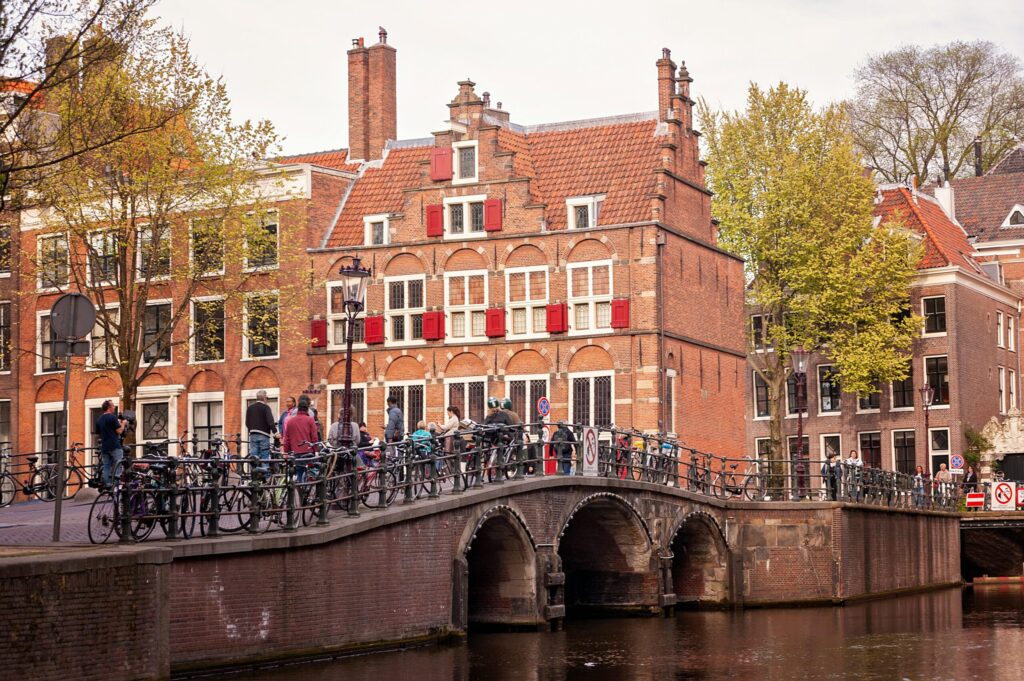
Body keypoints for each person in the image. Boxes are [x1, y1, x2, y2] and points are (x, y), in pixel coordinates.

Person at [282, 396, 318, 481]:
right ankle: (305, 490)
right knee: (308, 472)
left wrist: (286, 451)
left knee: (299, 472)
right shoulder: (310, 420)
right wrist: (315, 450)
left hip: (295, 451)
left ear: (297, 409)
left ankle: (299, 489)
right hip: (308, 451)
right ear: (307, 409)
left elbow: (286, 438)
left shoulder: (290, 421)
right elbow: (314, 436)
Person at [95, 400, 127, 489]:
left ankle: (107, 487)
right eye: (113, 406)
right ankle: (116, 488)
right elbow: (119, 431)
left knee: (106, 467)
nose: (114, 407)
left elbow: (98, 434)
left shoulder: (99, 419)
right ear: (109, 407)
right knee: (118, 466)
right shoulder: (112, 418)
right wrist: (123, 424)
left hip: (105, 447)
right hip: (114, 446)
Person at [245, 390, 276, 466]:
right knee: (264, 457)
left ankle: (254, 475)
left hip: (253, 435)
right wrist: (275, 432)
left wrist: (251, 430)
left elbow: (247, 423)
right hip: (264, 435)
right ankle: (265, 476)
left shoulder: (250, 408)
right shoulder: (266, 407)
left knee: (254, 458)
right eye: (267, 398)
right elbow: (270, 421)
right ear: (264, 398)